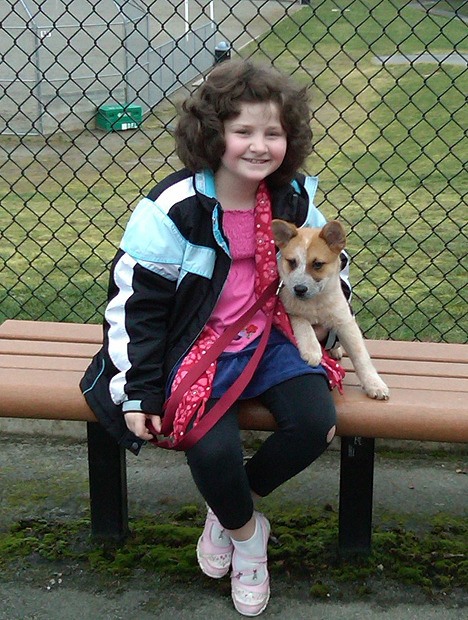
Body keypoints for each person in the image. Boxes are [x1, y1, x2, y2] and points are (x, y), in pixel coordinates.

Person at [81, 58, 351, 617]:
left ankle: (230, 510)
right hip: (192, 346)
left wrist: (330, 318)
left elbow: (331, 266)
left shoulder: (294, 198)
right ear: (213, 135)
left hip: (270, 337)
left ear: (289, 139)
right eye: (243, 131)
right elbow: (137, 307)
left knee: (315, 423)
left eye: (272, 133)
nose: (259, 146)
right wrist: (138, 391)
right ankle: (250, 539)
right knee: (212, 446)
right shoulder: (175, 208)